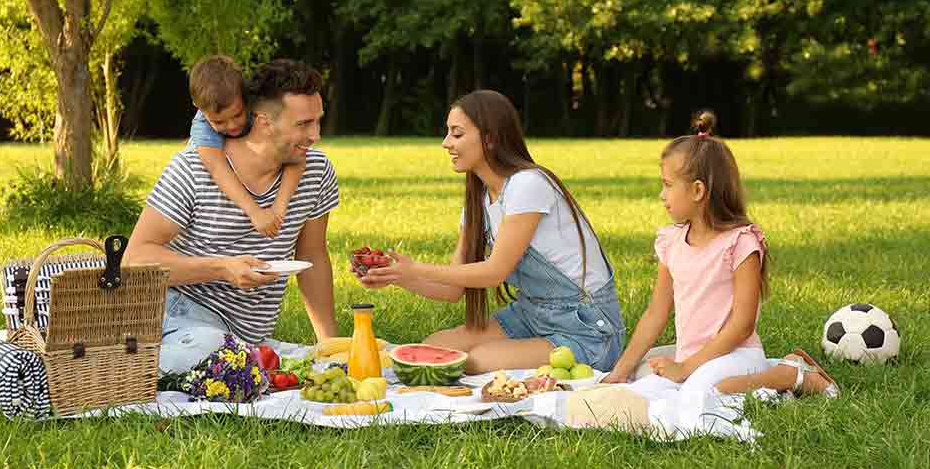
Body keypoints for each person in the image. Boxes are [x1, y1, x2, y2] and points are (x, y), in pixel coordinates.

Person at [357, 89, 625, 374]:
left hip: (586, 328)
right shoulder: (479, 202)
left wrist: (418, 267)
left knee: (480, 360)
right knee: (436, 345)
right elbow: (452, 289)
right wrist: (398, 276)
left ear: (490, 138)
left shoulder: (528, 185)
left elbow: (494, 271)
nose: (446, 143)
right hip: (531, 316)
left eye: (457, 134)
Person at [124, 57, 340, 373]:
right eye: (303, 124)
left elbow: (313, 256)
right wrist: (222, 268)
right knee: (214, 350)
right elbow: (134, 261)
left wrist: (331, 348)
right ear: (264, 122)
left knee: (250, 360)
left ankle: (239, 358)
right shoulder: (191, 169)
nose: (316, 135)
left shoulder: (316, 171)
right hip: (180, 316)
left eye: (317, 121)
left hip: (247, 336)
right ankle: (116, 366)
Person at [602, 110, 771, 396]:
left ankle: (786, 376)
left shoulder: (741, 243)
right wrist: (620, 372)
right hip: (692, 359)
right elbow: (657, 312)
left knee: (701, 392)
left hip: (737, 356)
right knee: (645, 388)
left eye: (667, 185)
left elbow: (742, 326)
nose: (661, 195)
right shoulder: (672, 242)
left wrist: (686, 368)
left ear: (697, 190)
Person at [188, 55, 304, 237]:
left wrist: (279, 208)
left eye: (237, 115)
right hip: (219, 196)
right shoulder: (202, 125)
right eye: (219, 122)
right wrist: (254, 212)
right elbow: (217, 168)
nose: (232, 126)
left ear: (245, 95)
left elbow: (297, 154)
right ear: (198, 108)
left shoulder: (259, 104)